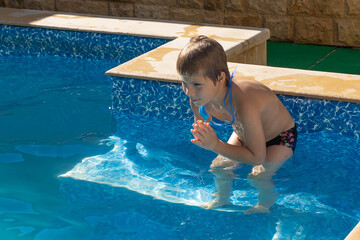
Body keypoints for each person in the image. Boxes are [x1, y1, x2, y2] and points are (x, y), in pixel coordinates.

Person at [176, 35, 297, 214]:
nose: (189, 91)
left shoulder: (244, 102)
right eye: (184, 83)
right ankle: (222, 199)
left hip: (280, 137)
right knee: (218, 167)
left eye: (196, 84)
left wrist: (215, 144)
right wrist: (204, 134)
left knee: (258, 175)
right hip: (244, 134)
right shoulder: (197, 97)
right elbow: (202, 127)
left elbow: (256, 157)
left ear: (219, 78)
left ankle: (264, 206)